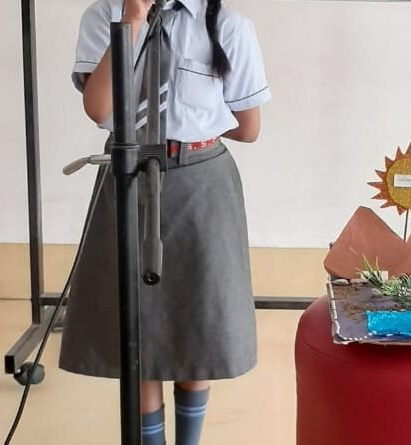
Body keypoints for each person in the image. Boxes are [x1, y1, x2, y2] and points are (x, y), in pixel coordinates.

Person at [59, 1, 270, 444]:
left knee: (199, 318)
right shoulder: (104, 16)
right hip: (128, 176)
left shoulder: (229, 26)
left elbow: (249, 127)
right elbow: (99, 109)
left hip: (202, 183)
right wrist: (133, 20)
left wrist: (189, 126)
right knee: (140, 324)